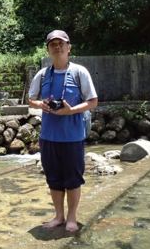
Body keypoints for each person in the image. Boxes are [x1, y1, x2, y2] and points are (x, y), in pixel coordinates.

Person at [28, 30, 99, 233]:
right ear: (48, 49)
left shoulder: (79, 72)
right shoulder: (43, 74)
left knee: (73, 179)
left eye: (61, 43)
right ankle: (58, 216)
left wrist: (71, 110)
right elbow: (31, 99)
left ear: (69, 47)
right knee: (54, 178)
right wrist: (41, 104)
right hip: (48, 136)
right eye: (53, 44)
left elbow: (93, 101)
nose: (57, 47)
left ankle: (72, 217)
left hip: (72, 137)